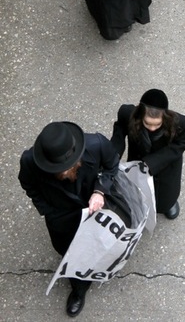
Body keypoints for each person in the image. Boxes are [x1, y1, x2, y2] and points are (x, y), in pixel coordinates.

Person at [19, 121, 120, 317]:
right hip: (61, 218)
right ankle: (79, 288)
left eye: (68, 166)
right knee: (70, 254)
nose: (64, 172)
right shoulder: (29, 161)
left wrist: (100, 191)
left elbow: (112, 165)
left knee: (99, 245)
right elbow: (28, 185)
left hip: (94, 208)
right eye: (57, 169)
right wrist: (48, 210)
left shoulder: (97, 144)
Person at [111, 89, 185, 219]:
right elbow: (118, 138)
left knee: (166, 193)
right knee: (138, 190)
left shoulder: (180, 123)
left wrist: (151, 162)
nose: (152, 128)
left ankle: (167, 205)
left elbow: (182, 144)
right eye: (147, 123)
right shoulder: (127, 114)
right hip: (138, 159)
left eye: (157, 124)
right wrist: (111, 159)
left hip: (165, 164)